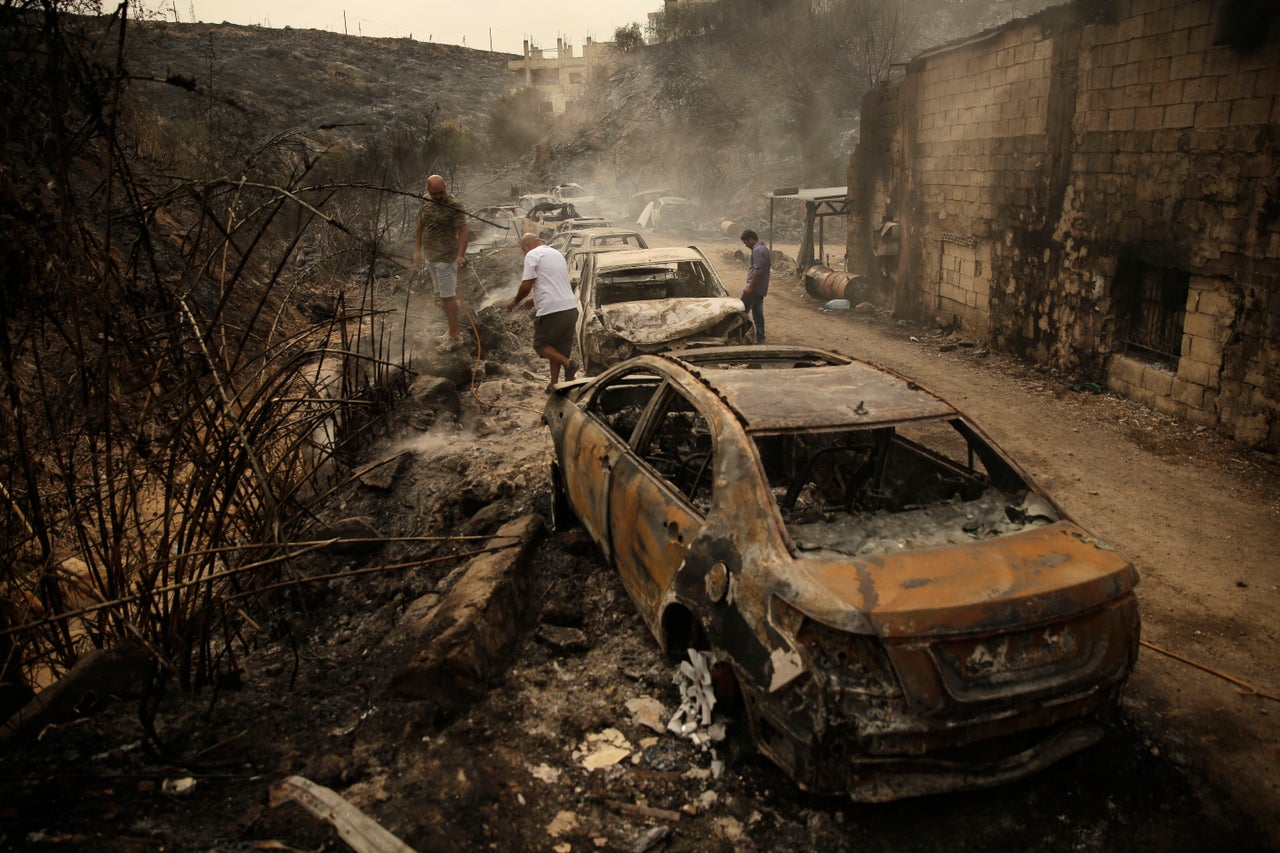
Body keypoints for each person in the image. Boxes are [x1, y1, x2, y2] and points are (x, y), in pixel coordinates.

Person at [508, 233, 578, 390]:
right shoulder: (557, 254)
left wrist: (514, 302)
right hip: (570, 307)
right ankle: (554, 383)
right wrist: (534, 299)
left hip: (551, 311)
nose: (524, 253)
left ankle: (569, 364)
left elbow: (526, 286)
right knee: (558, 348)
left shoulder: (532, 255)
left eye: (523, 250)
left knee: (541, 345)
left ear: (526, 246)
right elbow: (553, 282)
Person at [413, 174, 469, 352]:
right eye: (434, 193)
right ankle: (450, 332)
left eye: (441, 192)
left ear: (446, 186)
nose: (438, 196)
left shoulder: (455, 205)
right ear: (428, 190)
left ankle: (454, 337)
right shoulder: (426, 201)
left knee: (448, 296)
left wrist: (461, 255)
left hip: (447, 258)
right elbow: (421, 226)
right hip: (431, 256)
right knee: (442, 296)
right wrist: (417, 250)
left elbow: (463, 232)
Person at [739, 228, 771, 343]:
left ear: (751, 239)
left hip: (754, 289)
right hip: (761, 289)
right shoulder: (764, 249)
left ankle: (740, 337)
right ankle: (761, 338)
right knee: (758, 314)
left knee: (741, 313)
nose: (746, 245)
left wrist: (750, 287)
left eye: (746, 242)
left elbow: (758, 271)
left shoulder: (757, 250)